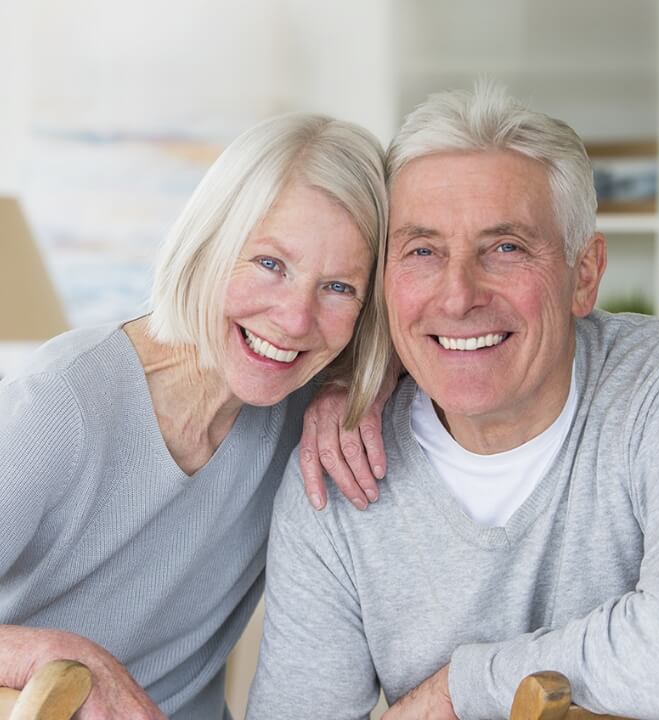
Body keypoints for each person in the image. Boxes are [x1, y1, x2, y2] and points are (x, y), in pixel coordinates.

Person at [247, 81, 659, 720]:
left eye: (505, 248)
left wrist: (462, 687)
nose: (457, 295)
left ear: (584, 275)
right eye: (422, 251)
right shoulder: (336, 473)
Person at [0, 112, 391, 719]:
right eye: (270, 263)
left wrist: (364, 382)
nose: (294, 319)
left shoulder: (301, 414)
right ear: (210, 241)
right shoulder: (57, 405)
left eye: (339, 287)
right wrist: (56, 655)